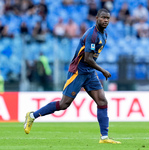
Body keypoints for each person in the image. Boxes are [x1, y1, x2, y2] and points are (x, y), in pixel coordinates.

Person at [24, 8, 121, 144]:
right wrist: (102, 70)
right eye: (103, 18)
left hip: (89, 73)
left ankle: (104, 137)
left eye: (108, 18)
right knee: (64, 104)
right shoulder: (92, 35)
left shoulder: (104, 35)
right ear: (97, 18)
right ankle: (32, 116)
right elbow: (87, 58)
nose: (105, 20)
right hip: (78, 72)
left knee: (102, 101)